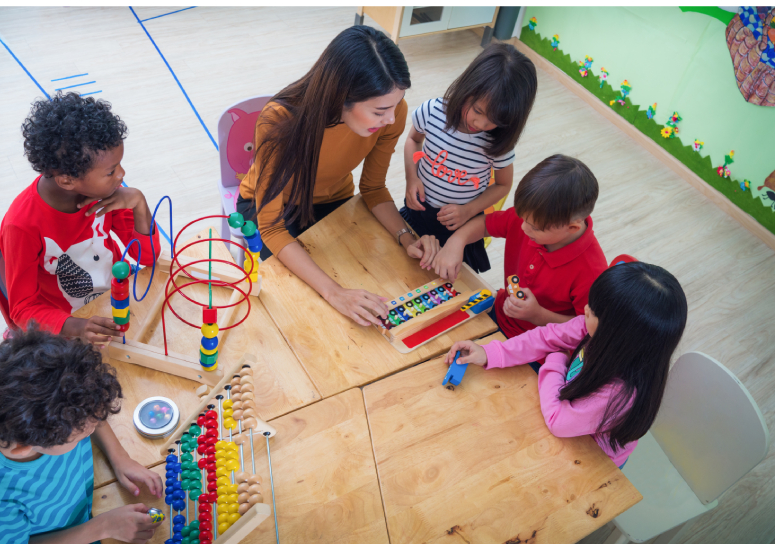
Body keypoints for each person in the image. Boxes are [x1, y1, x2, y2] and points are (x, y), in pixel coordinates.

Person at [237, 25, 439, 327]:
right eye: (380, 110)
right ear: (341, 97)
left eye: (397, 104)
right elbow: (272, 228)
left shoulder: (390, 116)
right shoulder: (278, 120)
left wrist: (406, 237)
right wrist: (335, 293)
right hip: (267, 209)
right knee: (294, 309)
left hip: (335, 199)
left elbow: (373, 188)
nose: (393, 119)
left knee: (369, 274)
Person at [446, 261, 688, 467]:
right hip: (569, 414)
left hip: (593, 459)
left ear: (616, 334)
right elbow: (545, 337)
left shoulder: (618, 393)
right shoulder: (592, 327)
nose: (584, 310)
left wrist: (556, 359)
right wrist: (490, 353)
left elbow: (559, 421)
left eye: (592, 312)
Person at [0, 326, 164, 544]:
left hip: (94, 510)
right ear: (24, 447)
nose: (94, 426)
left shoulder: (49, 420)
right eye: (82, 435)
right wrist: (103, 527)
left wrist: (120, 457)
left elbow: (90, 413)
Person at [1, 92, 160, 346]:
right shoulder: (21, 225)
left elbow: (149, 258)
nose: (122, 174)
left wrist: (139, 203)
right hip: (68, 326)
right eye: (111, 171)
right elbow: (22, 310)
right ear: (67, 180)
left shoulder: (106, 194)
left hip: (113, 301)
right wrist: (78, 326)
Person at [431, 155, 607, 351]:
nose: (523, 227)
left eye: (535, 228)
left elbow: (586, 329)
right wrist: (457, 241)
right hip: (498, 314)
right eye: (522, 218)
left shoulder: (593, 271)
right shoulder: (535, 217)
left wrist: (537, 315)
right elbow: (485, 224)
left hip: (541, 349)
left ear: (573, 228)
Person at [402, 41, 537, 273]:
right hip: (418, 213)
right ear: (467, 87)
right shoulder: (432, 111)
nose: (481, 124)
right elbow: (413, 140)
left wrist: (469, 210)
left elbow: (504, 185)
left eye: (495, 120)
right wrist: (411, 178)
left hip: (459, 225)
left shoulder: (497, 142)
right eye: (478, 111)